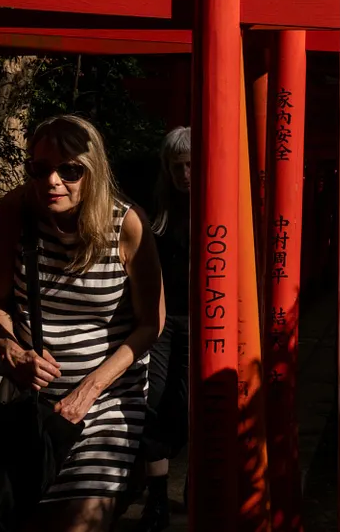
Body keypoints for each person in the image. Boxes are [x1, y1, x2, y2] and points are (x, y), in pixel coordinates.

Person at [0, 114, 165, 532]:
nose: (52, 181)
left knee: (82, 519)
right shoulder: (16, 211)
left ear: (93, 170)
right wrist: (12, 350)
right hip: (33, 402)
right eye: (40, 168)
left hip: (108, 395)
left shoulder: (127, 223)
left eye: (70, 170)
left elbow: (151, 324)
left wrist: (90, 389)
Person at [137, 127, 191, 531]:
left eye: (190, 166)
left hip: (203, 316)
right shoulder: (154, 205)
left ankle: (196, 483)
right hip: (159, 316)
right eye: (176, 167)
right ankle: (156, 497)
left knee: (189, 402)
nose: (184, 175)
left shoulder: (220, 201)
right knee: (152, 399)